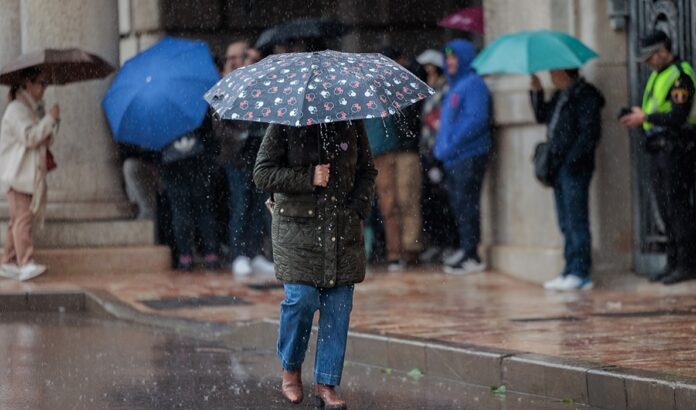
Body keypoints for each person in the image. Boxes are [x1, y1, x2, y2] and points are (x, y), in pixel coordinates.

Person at [253, 121, 377, 408]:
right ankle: (291, 368)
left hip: (341, 230)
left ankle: (327, 381)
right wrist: (309, 176)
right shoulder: (285, 124)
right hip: (297, 231)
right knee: (301, 299)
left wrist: (357, 208)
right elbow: (262, 173)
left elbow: (367, 171)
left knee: (338, 305)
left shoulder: (350, 122)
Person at [620, 30, 696, 285]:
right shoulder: (658, 76)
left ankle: (686, 263)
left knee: (679, 209)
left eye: (650, 57)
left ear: (663, 51)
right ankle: (672, 261)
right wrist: (637, 114)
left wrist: (646, 118)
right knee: (665, 210)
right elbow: (654, 109)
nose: (648, 63)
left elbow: (678, 116)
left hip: (677, 149)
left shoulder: (680, 76)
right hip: (659, 150)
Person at [531, 69, 605, 291]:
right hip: (558, 167)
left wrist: (571, 160)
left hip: (574, 167)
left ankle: (580, 272)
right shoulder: (559, 95)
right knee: (565, 221)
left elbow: (589, 133)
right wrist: (536, 92)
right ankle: (569, 268)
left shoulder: (585, 95)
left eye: (554, 72)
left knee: (576, 220)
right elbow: (542, 116)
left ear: (564, 72)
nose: (551, 76)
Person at [215, 41, 274, 276]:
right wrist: (241, 135)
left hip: (258, 156)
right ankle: (239, 254)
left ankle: (255, 252)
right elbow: (218, 126)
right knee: (240, 205)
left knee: (260, 207)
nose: (242, 61)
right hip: (237, 157)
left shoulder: (261, 83)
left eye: (246, 57)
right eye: (239, 57)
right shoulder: (226, 85)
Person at [434, 39, 491, 274]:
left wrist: (450, 146)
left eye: (455, 57)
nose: (450, 62)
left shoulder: (473, 84)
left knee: (467, 205)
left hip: (468, 155)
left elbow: (475, 120)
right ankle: (465, 247)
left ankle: (472, 255)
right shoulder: (454, 87)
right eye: (447, 58)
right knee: (459, 205)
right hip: (454, 157)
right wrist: (441, 148)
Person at [0, 68, 60, 280]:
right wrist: (48, 120)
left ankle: (8, 261)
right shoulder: (16, 109)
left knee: (18, 219)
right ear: (28, 83)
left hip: (26, 175)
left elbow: (44, 139)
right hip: (17, 175)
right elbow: (30, 137)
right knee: (22, 219)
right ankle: (25, 261)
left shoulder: (32, 109)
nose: (45, 88)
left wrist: (51, 121)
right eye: (42, 83)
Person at [159, 114, 221, 271]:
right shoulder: (193, 106)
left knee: (181, 211)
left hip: (173, 166)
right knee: (204, 210)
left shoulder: (161, 114)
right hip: (197, 163)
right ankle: (211, 253)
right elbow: (209, 136)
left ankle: (185, 255)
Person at [416, 49, 459, 264]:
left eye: (432, 68)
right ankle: (438, 242)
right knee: (430, 202)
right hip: (427, 152)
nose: (429, 73)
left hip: (440, 151)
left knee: (446, 201)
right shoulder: (430, 91)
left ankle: (451, 243)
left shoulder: (446, 89)